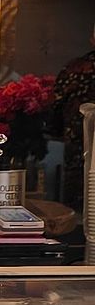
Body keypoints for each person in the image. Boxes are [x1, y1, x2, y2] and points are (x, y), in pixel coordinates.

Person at [50, 25, 95, 209]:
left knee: (78, 204)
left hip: (78, 147)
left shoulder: (74, 69)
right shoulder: (75, 69)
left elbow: (56, 105)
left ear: (92, 40)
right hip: (78, 146)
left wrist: (57, 131)